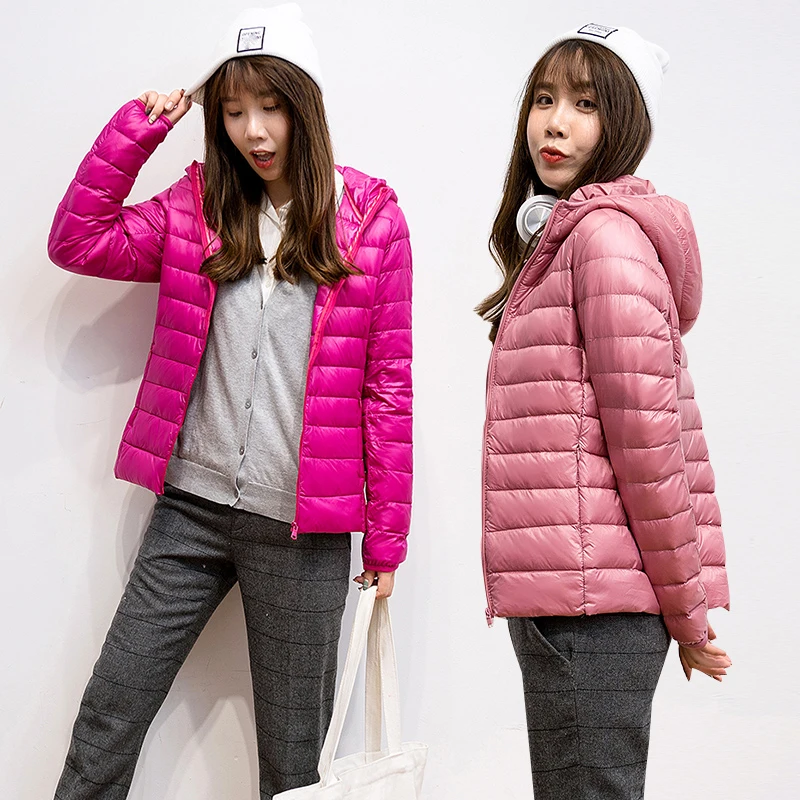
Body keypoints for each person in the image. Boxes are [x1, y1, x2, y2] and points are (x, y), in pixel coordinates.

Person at [48, 5, 412, 799]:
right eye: (234, 110)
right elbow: (77, 240)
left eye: (271, 106)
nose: (253, 130)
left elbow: (388, 385)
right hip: (191, 508)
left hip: (303, 529)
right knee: (110, 715)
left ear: (305, 104)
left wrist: (386, 539)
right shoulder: (197, 207)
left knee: (294, 763)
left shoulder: (371, 223)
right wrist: (138, 129)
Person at [477, 23, 731, 799]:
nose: (555, 123)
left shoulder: (604, 242)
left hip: (594, 612)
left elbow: (650, 450)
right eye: (544, 100)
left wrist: (688, 612)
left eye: (585, 105)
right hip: (571, 599)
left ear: (623, 123)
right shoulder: (567, 240)